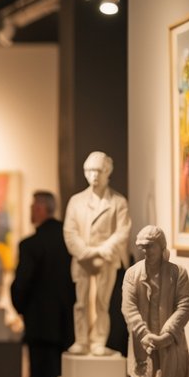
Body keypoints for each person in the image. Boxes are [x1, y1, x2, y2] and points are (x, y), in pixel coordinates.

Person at [121, 226, 189, 377]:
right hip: (142, 341)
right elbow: (128, 307)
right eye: (141, 247)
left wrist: (167, 334)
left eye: (150, 246)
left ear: (161, 247)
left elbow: (184, 305)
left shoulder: (177, 273)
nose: (145, 251)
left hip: (170, 341)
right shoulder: (132, 274)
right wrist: (144, 334)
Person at [62, 151, 131, 356]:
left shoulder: (118, 202)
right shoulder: (76, 201)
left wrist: (102, 250)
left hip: (106, 260)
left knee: (102, 302)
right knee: (81, 302)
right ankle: (81, 340)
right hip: (83, 260)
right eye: (90, 170)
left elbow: (122, 231)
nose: (94, 175)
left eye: (98, 170)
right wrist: (85, 252)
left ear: (107, 171)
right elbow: (69, 231)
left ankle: (98, 340)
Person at [10, 191, 76, 377]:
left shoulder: (30, 245)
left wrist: (21, 307)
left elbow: (21, 284)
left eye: (32, 207)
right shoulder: (70, 242)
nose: (31, 211)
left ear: (40, 208)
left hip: (40, 325)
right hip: (69, 323)